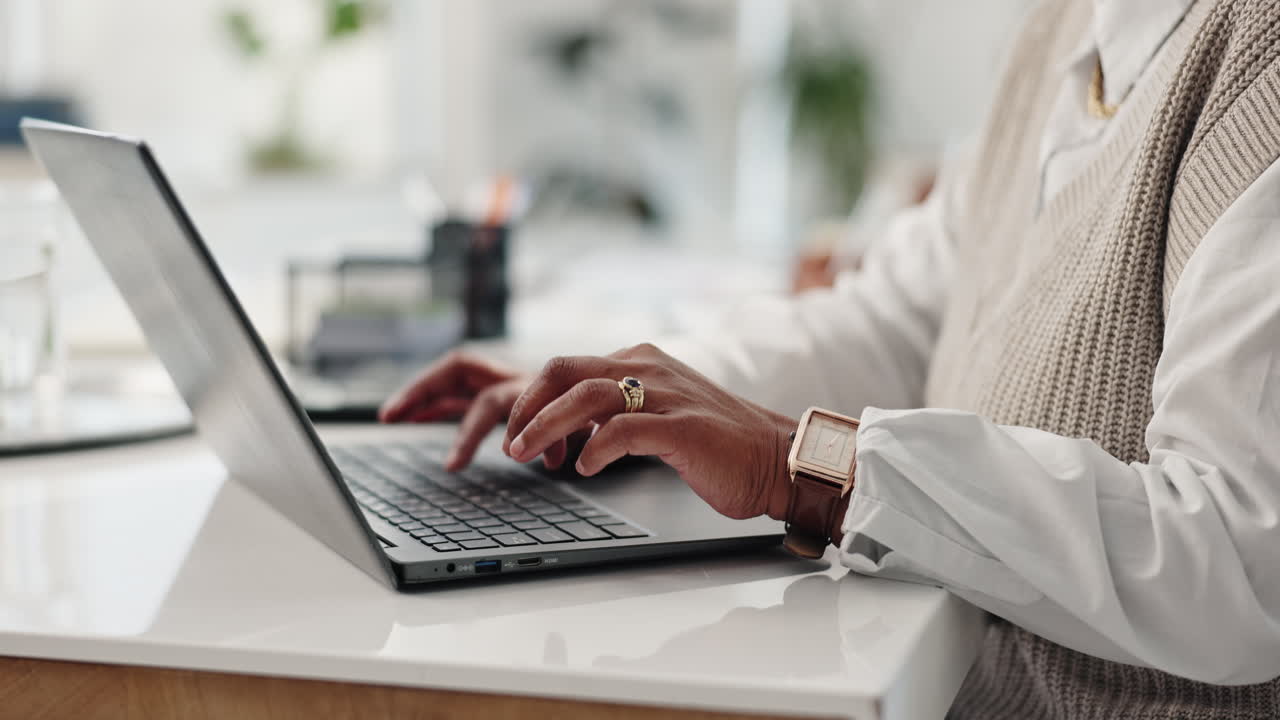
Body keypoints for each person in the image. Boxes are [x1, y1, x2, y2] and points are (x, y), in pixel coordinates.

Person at [380, 0, 1280, 716]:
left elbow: (1241, 562)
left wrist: (806, 468)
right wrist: (623, 391)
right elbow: (896, 319)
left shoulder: (1258, 64)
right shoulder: (1065, 30)